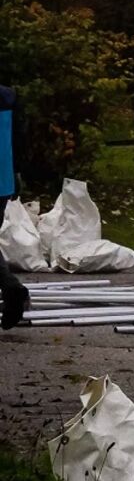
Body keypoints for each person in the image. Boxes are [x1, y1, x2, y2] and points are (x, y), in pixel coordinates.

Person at [0, 85, 25, 329]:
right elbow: (18, 139)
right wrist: (16, 173)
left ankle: (10, 287)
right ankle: (10, 288)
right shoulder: (8, 97)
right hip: (3, 179)